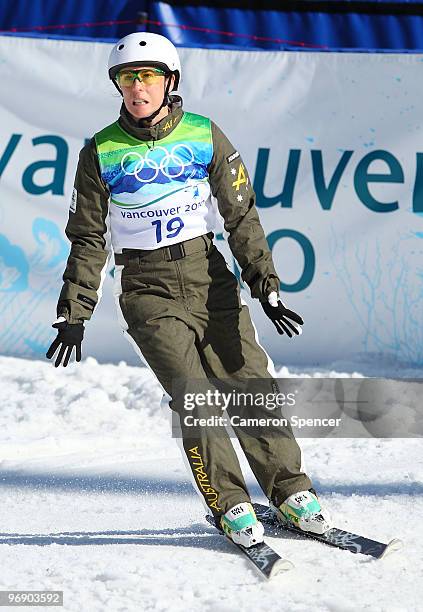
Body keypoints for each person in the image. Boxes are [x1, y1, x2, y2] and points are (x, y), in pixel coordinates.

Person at [46, 32, 331, 547]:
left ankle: (288, 490)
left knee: (248, 379)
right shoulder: (101, 151)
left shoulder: (204, 134)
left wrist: (264, 284)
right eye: (128, 78)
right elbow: (88, 237)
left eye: (148, 76)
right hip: (147, 289)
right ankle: (231, 504)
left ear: (170, 81)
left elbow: (240, 213)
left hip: (209, 277)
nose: (138, 88)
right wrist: (75, 311)